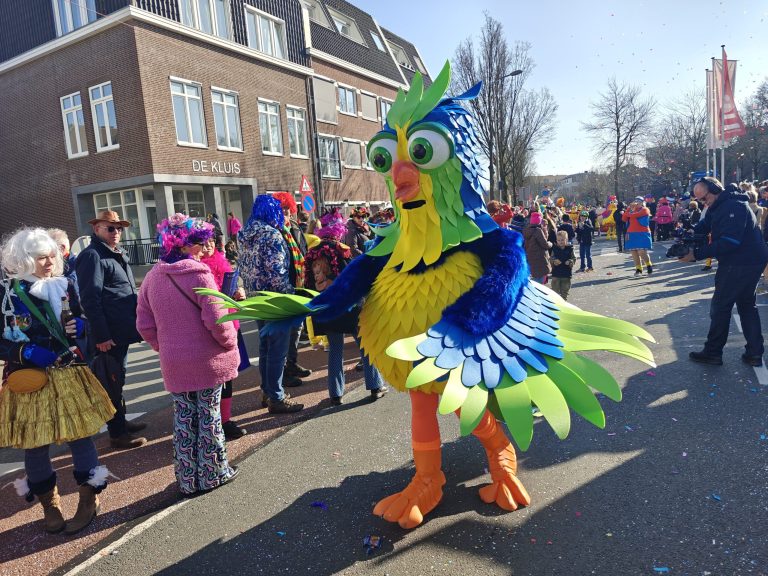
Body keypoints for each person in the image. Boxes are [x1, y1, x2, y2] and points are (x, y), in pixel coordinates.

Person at [0, 228, 116, 534]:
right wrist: (25, 351)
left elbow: (82, 323)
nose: (50, 262)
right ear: (25, 260)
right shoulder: (8, 294)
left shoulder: (66, 285)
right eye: (41, 258)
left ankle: (88, 501)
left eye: (52, 256)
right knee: (35, 446)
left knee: (81, 438)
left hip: (69, 371)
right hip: (31, 379)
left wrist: (82, 326)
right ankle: (50, 506)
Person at [136, 214, 239, 496]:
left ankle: (187, 479)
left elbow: (144, 324)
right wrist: (229, 342)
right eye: (198, 242)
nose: (202, 247)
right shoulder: (198, 273)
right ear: (185, 245)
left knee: (183, 420)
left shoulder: (152, 277)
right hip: (206, 360)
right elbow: (216, 319)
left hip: (174, 362)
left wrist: (164, 346)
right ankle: (213, 474)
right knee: (208, 417)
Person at [76, 210, 147, 449]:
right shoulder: (92, 256)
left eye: (119, 228)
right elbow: (90, 299)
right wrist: (102, 335)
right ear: (96, 229)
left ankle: (121, 422)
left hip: (121, 330)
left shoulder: (115, 253)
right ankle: (117, 432)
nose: (116, 232)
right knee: (111, 381)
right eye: (110, 228)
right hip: (109, 334)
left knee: (119, 378)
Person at [303, 210, 387, 405]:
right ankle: (375, 386)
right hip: (348, 306)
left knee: (334, 350)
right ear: (338, 230)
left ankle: (335, 393)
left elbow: (308, 283)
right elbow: (353, 276)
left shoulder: (312, 253)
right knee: (364, 345)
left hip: (326, 307)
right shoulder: (341, 250)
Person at [683, 178, 768, 366]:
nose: (704, 203)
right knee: (746, 304)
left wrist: (696, 254)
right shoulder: (722, 203)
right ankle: (754, 353)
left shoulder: (732, 207)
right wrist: (690, 234)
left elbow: (730, 242)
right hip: (749, 259)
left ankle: (713, 352)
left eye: (704, 199)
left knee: (721, 306)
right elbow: (706, 224)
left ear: (714, 189)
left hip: (741, 261)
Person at [239, 195, 304, 413]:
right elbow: (277, 273)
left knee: (266, 346)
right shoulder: (272, 235)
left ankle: (267, 391)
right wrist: (290, 297)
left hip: (255, 298)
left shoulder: (245, 234)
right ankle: (276, 396)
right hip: (275, 300)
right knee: (277, 350)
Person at [200, 237, 248, 440]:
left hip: (229, 324)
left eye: (211, 241)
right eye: (204, 242)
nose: (209, 245)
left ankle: (225, 420)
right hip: (210, 329)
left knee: (229, 376)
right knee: (213, 379)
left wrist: (238, 293)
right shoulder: (197, 270)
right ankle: (214, 422)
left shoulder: (223, 262)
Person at [271, 192, 312, 384]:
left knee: (297, 327)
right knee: (286, 331)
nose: (286, 212)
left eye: (288, 209)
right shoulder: (275, 231)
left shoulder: (294, 228)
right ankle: (285, 372)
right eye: (282, 209)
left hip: (299, 284)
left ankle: (292, 363)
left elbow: (303, 251)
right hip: (285, 285)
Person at [623, 196, 653, 276]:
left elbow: (635, 215)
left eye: (639, 201)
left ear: (642, 202)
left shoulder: (645, 209)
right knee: (634, 252)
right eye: (635, 200)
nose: (636, 202)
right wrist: (629, 210)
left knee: (642, 251)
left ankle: (648, 264)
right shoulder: (631, 209)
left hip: (642, 232)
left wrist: (630, 212)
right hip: (631, 233)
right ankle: (638, 269)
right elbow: (624, 218)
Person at [523, 211, 551, 284]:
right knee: (540, 279)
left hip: (530, 257)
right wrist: (550, 244)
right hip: (539, 258)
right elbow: (545, 244)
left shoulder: (526, 230)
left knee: (534, 278)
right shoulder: (538, 231)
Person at [550, 231, 575, 300]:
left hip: (566, 274)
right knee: (555, 292)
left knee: (565, 292)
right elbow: (551, 258)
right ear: (556, 241)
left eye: (562, 240)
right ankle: (556, 304)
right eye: (559, 240)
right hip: (556, 274)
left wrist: (570, 261)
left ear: (566, 240)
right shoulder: (554, 249)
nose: (560, 242)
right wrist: (554, 261)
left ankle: (564, 302)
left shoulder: (570, 249)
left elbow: (574, 258)